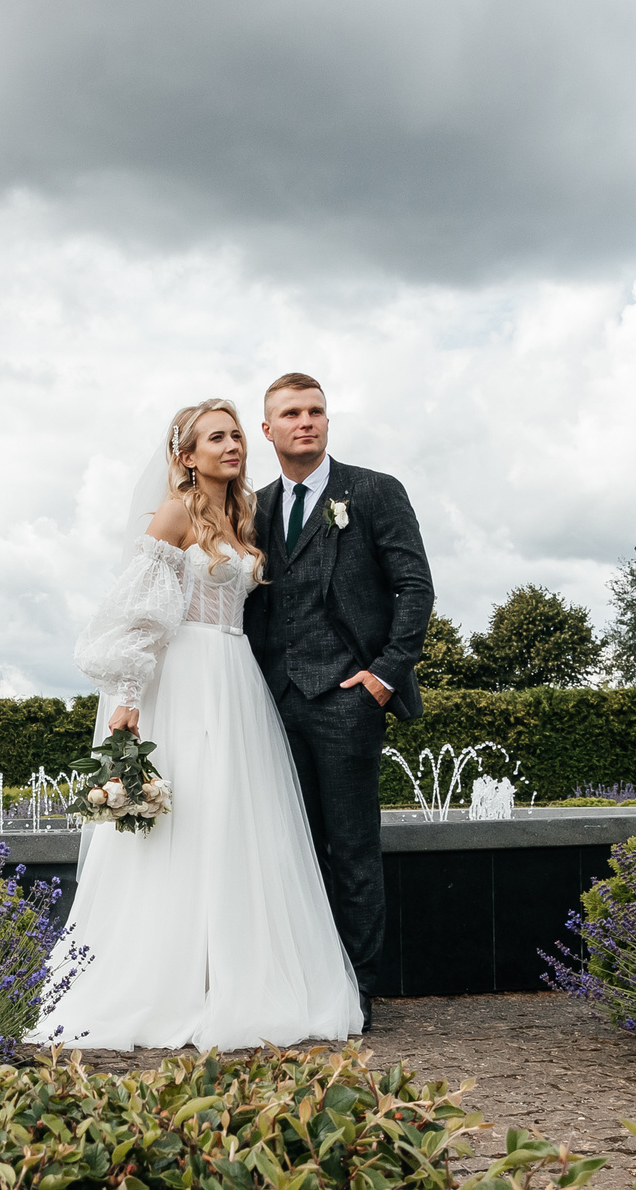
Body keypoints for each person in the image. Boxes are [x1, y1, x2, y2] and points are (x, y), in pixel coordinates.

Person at [31, 398, 362, 1050]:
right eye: (217, 436)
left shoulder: (241, 515)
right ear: (186, 455)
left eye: (237, 433)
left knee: (235, 820)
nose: (232, 443)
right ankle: (167, 979)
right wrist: (127, 700)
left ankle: (230, 975)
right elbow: (140, 613)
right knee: (185, 822)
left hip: (235, 680)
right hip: (183, 680)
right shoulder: (175, 511)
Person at [245, 374, 432, 1033]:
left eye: (316, 411)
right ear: (266, 429)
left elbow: (415, 587)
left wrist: (383, 674)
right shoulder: (255, 507)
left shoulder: (375, 492)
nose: (306, 422)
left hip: (347, 698)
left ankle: (356, 990)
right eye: (290, 414)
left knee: (351, 845)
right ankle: (301, 983)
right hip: (271, 702)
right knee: (287, 848)